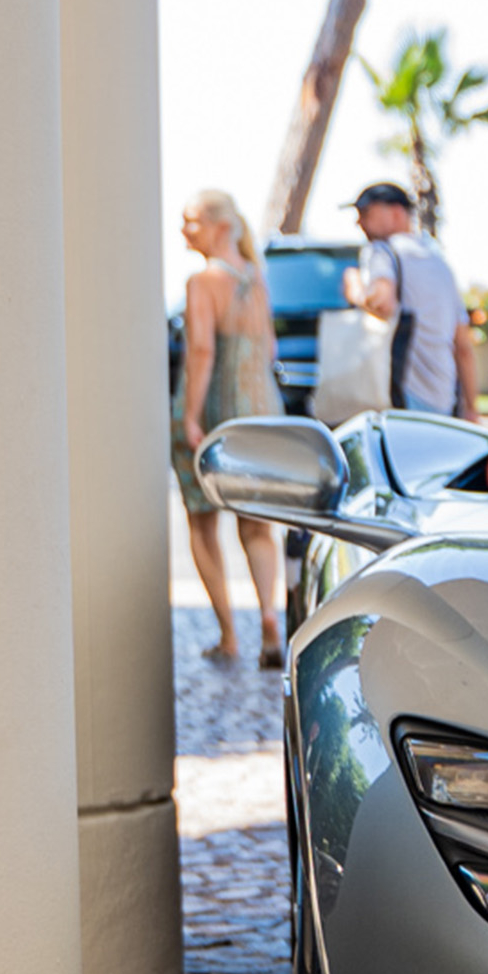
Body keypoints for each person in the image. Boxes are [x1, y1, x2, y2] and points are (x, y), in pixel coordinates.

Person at [174, 189, 284, 669]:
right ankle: (268, 617)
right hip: (262, 412)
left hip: (218, 412)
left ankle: (228, 636)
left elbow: (201, 352)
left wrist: (191, 416)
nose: (184, 230)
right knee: (256, 525)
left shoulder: (204, 281)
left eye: (191, 220)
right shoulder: (256, 277)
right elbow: (271, 352)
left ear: (219, 226)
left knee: (202, 520)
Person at [345, 180, 480, 418]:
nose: (359, 222)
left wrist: (353, 286)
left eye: (365, 212)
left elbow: (381, 303)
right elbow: (463, 346)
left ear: (396, 211)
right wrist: (470, 408)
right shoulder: (440, 263)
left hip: (402, 398)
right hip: (444, 399)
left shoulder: (381, 252)